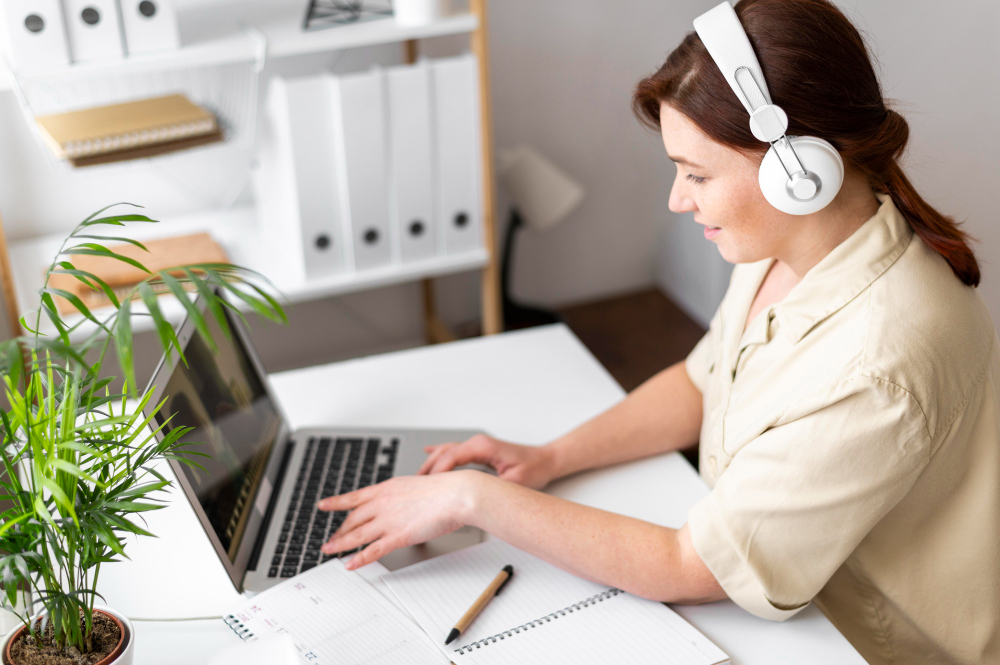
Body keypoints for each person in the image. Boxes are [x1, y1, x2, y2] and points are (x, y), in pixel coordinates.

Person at [317, 1, 1000, 662]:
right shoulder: (789, 247)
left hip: (857, 643)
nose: (678, 198)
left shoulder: (879, 361)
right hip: (801, 604)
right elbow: (705, 381)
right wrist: (550, 458)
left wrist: (475, 499)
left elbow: (691, 564)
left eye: (696, 173)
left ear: (798, 172)